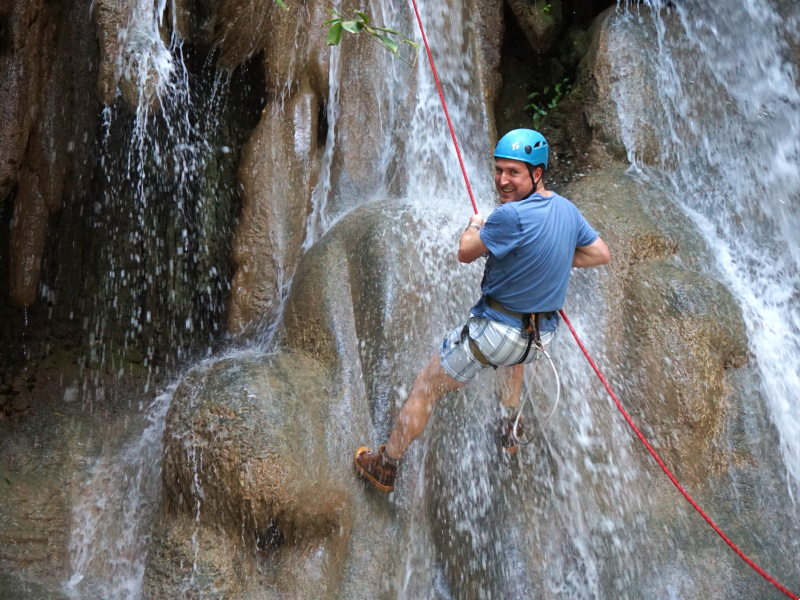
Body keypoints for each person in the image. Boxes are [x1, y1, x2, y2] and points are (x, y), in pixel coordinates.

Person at [354, 129, 610, 493]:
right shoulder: (567, 210)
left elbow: (465, 251)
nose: (503, 181)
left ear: (537, 173)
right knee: (514, 356)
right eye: (499, 170)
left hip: (496, 334)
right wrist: (546, 252)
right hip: (538, 338)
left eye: (513, 173)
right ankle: (508, 424)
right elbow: (600, 252)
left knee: (425, 387)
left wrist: (476, 222)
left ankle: (386, 465)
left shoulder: (509, 218)